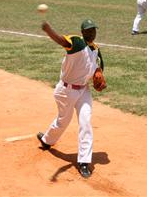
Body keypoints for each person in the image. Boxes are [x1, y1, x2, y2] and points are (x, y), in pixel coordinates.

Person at [36, 19, 104, 179]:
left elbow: (99, 67)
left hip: (84, 91)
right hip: (66, 91)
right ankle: (47, 140)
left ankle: (84, 162)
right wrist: (48, 30)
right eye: (89, 30)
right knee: (63, 121)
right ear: (83, 32)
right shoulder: (77, 43)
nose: (92, 33)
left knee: (85, 122)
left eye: (94, 30)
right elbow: (61, 40)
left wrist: (99, 74)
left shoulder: (96, 49)